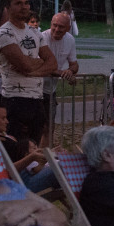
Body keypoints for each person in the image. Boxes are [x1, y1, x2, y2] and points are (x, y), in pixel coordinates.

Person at [0, 0, 57, 144]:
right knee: (17, 149)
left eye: (26, 2)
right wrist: (38, 63)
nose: (24, 7)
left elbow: (53, 63)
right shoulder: (4, 33)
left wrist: (32, 69)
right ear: (8, 7)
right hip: (15, 100)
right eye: (18, 3)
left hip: (37, 99)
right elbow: (24, 65)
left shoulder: (35, 33)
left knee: (33, 148)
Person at [0, 101, 56, 194]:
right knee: (64, 168)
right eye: (3, 118)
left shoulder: (7, 138)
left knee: (69, 162)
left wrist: (46, 154)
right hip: (19, 184)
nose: (7, 121)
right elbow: (3, 172)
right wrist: (31, 158)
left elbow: (26, 159)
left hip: (29, 173)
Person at [41, 12, 80, 146]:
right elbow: (41, 67)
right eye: (54, 25)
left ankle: (45, 158)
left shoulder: (70, 40)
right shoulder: (42, 38)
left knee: (50, 127)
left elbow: (74, 64)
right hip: (35, 89)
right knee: (38, 127)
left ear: (68, 28)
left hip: (51, 90)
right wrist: (62, 73)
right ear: (50, 24)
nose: (57, 29)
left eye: (61, 27)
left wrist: (70, 71)